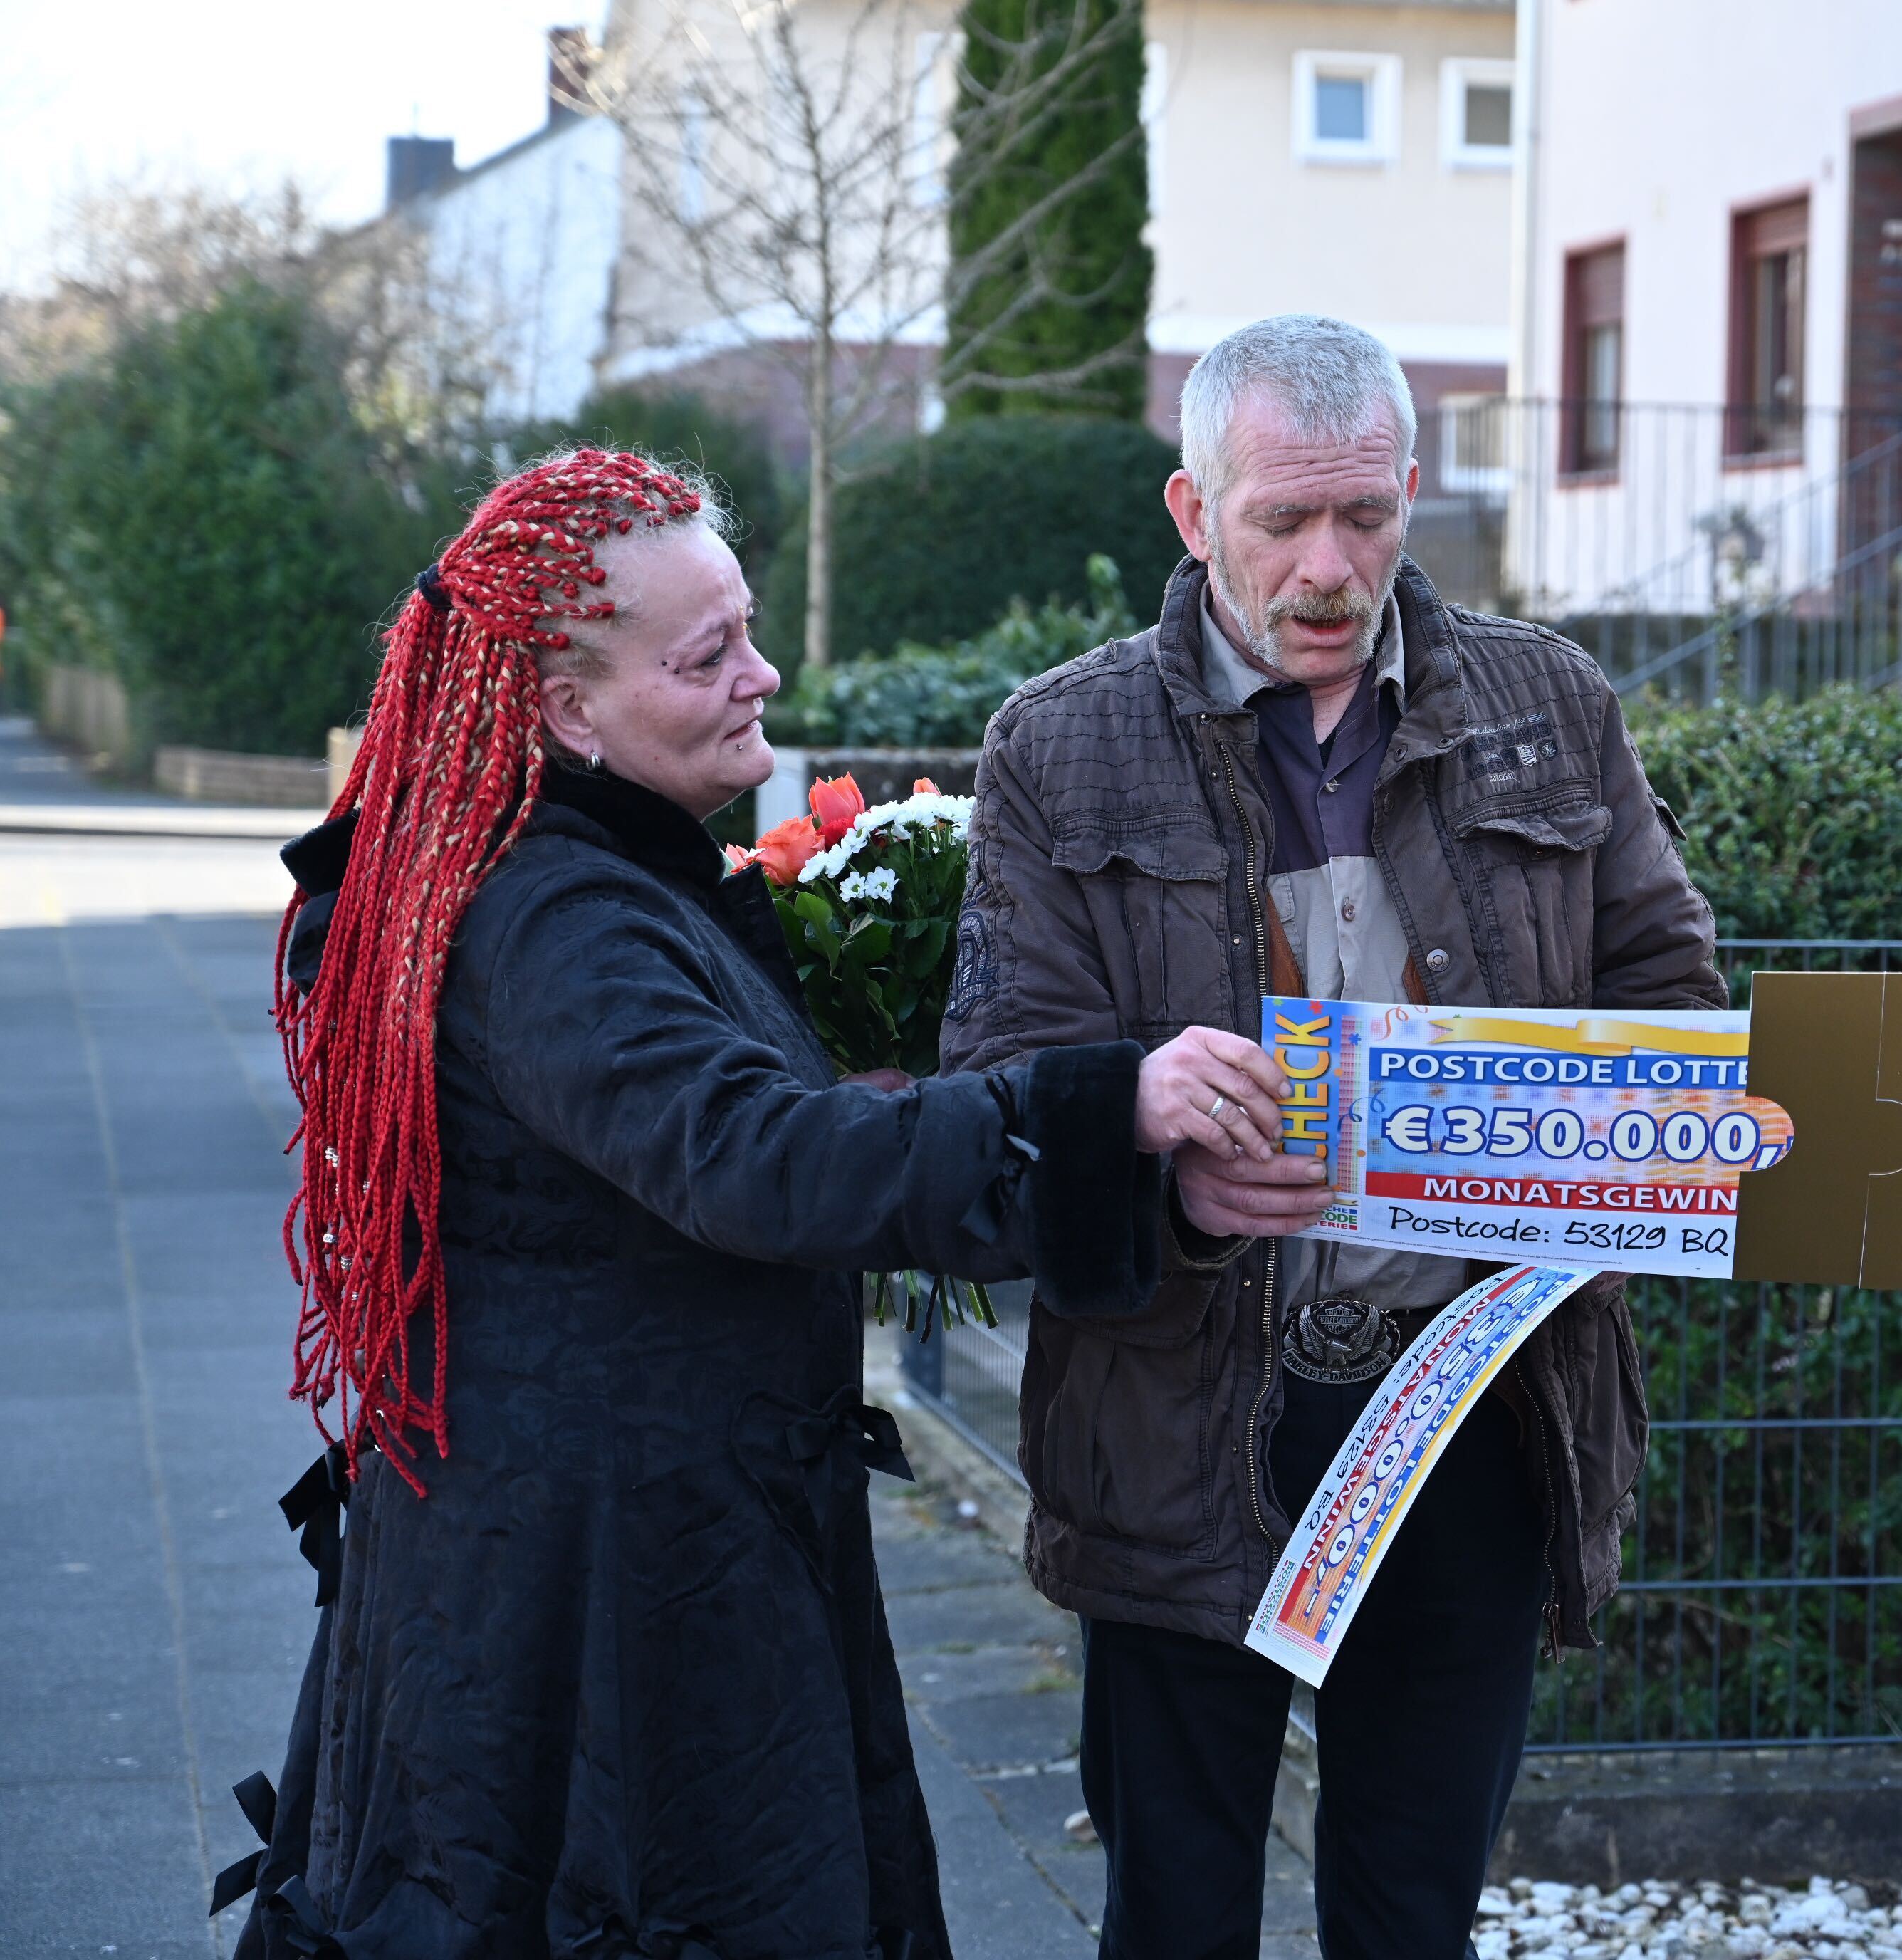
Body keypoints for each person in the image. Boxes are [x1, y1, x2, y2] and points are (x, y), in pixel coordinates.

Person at [220, 447, 1286, 1959]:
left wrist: (985, 1121)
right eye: (706, 653)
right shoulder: (554, 920)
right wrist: (1107, 1100)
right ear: (568, 710)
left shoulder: (579, 871)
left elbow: (703, 1139)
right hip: (598, 1598)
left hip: (606, 1539)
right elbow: (751, 1155)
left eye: (748, 629)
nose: (761, 674)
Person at [941, 315, 1723, 1959]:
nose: (1328, 566)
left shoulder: (1550, 702)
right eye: (1281, 519)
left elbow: (1669, 996)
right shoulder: (1059, 744)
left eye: (1365, 515)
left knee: (1413, 1914)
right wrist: (1176, 1173)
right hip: (1182, 1423)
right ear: (1191, 510)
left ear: (1412, 493)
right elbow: (1002, 1090)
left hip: (1472, 1412)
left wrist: (1581, 1161)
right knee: (1175, 1916)